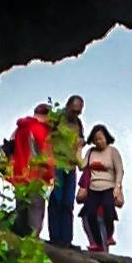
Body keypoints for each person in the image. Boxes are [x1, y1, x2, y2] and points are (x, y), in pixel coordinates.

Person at [6, 103, 56, 236]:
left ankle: (19, 237)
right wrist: (51, 173)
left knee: (21, 209)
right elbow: (46, 156)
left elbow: (9, 150)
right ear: (46, 116)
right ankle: (32, 241)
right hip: (35, 176)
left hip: (18, 174)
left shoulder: (18, 129)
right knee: (35, 211)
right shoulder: (40, 130)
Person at [77, 124, 125, 253]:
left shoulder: (112, 151)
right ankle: (97, 243)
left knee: (108, 208)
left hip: (108, 186)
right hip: (94, 187)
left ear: (106, 137)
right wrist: (78, 149)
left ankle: (109, 236)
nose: (99, 141)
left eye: (101, 138)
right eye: (96, 139)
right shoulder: (91, 152)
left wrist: (118, 187)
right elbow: (82, 166)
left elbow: (119, 170)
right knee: (90, 212)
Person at [46, 94, 85, 247]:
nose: (75, 114)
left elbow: (80, 142)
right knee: (56, 199)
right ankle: (55, 237)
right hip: (56, 164)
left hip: (71, 166)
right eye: (74, 111)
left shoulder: (78, 123)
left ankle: (66, 240)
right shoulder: (57, 119)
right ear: (68, 106)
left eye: (78, 112)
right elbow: (45, 138)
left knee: (68, 203)